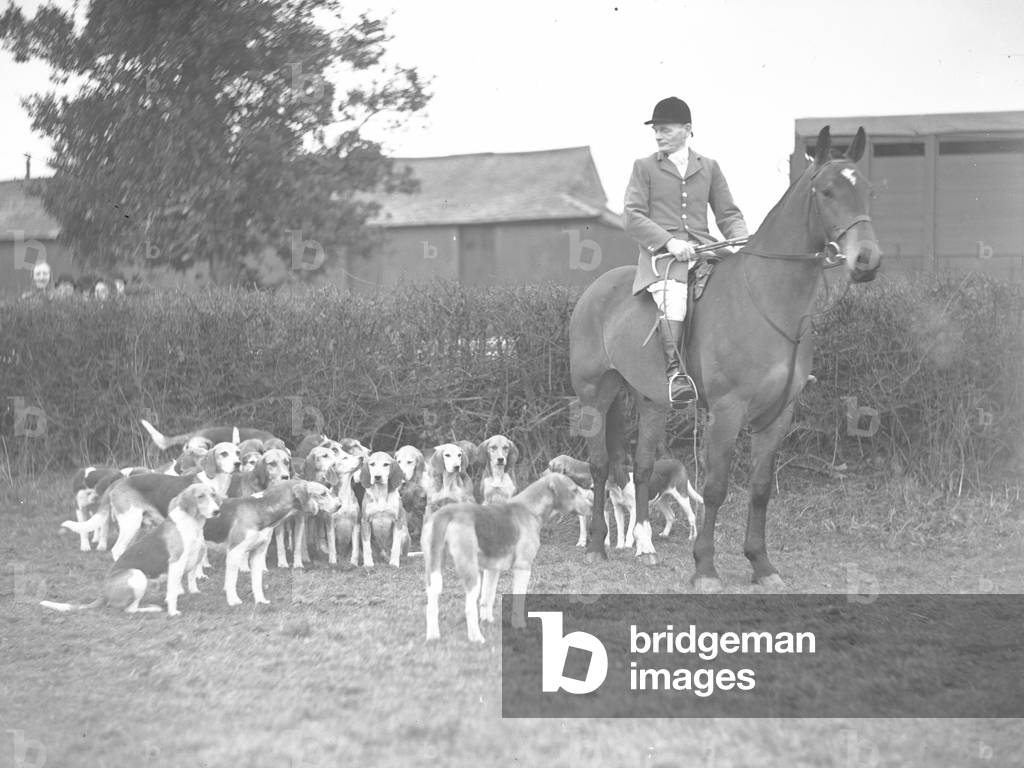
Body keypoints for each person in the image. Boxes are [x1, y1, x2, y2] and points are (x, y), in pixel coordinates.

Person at [624, 97, 748, 407]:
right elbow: (633, 216)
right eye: (656, 131)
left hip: (705, 251)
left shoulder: (709, 167)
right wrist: (669, 242)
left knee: (747, 284)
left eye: (664, 129)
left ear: (687, 129)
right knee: (675, 300)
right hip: (663, 261)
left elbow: (728, 214)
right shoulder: (644, 168)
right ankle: (676, 375)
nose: (658, 136)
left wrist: (741, 239)